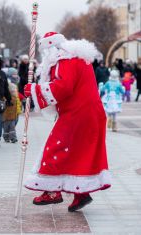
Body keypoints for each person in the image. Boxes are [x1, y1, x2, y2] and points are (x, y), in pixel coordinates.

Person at [24, 32, 111, 212]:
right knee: (78, 153)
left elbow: (64, 87)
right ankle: (81, 193)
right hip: (87, 113)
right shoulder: (76, 58)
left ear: (51, 49)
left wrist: (36, 90)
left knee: (55, 148)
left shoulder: (66, 60)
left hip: (78, 114)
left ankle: (52, 192)